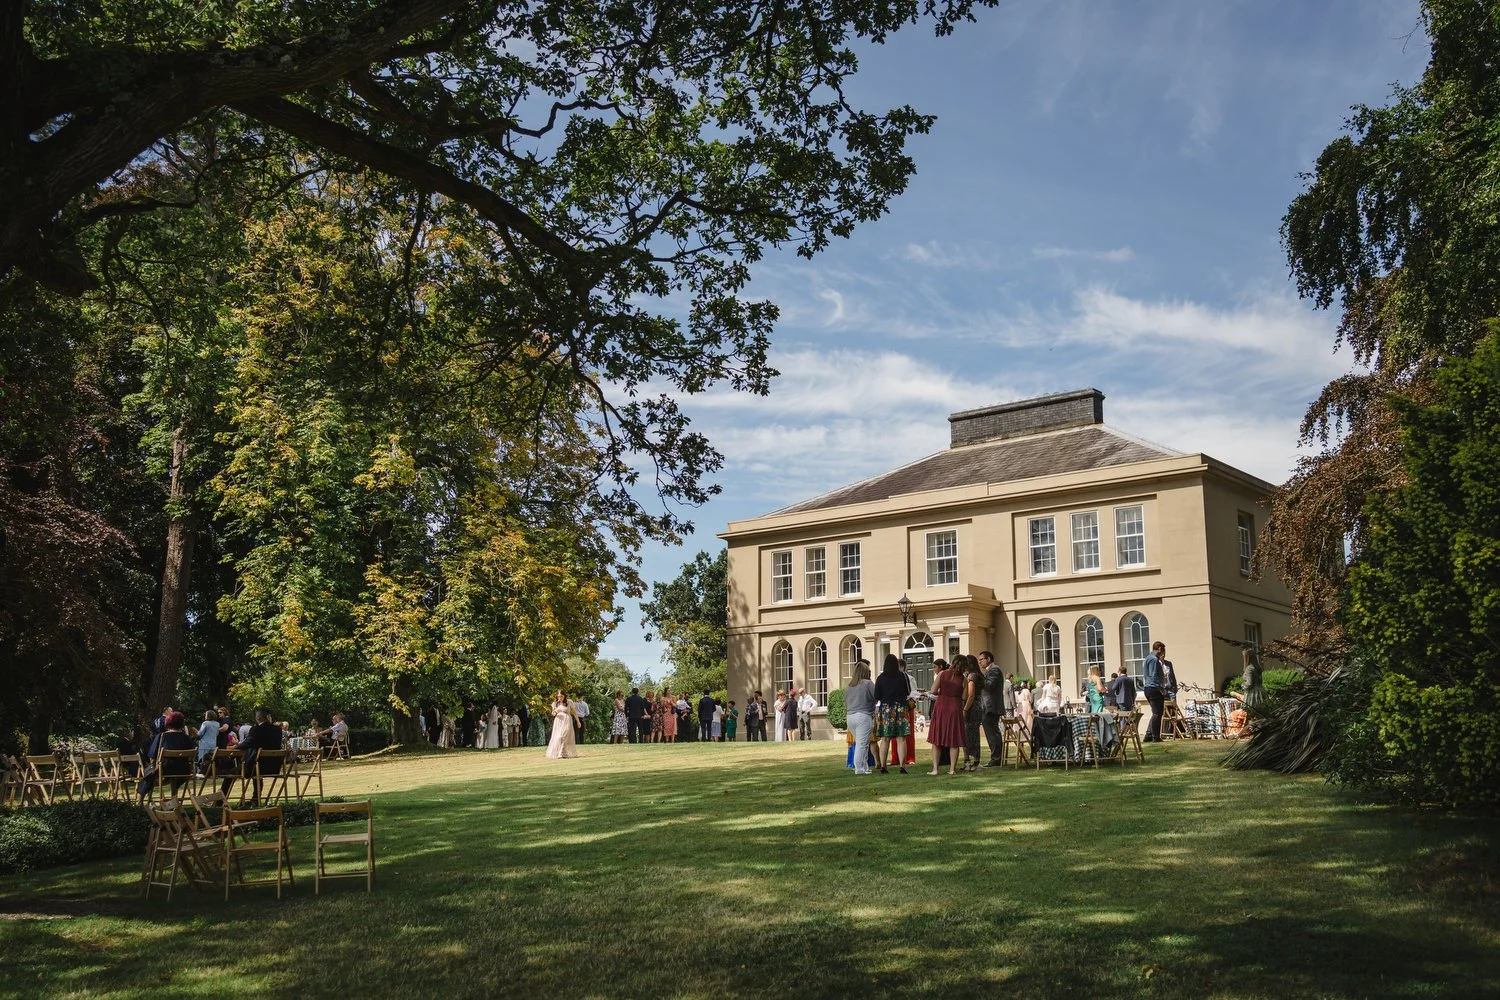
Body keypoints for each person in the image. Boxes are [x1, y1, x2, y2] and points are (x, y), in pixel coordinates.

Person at [873, 654, 911, 774]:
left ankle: (884, 766)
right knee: (901, 739)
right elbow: (908, 692)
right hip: (901, 708)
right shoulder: (902, 676)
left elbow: (877, 696)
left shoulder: (881, 678)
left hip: (886, 709)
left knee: (885, 739)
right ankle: (902, 766)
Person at [926, 659, 965, 776]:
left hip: (942, 705)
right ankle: (952, 769)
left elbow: (933, 690)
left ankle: (935, 769)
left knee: (937, 739)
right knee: (954, 740)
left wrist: (943, 691)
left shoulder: (942, 674)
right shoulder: (964, 679)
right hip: (955, 706)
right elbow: (964, 696)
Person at [843, 660, 877, 775]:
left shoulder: (849, 686)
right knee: (862, 744)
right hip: (863, 715)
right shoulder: (868, 683)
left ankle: (865, 767)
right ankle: (859, 769)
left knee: (861, 743)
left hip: (850, 716)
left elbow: (846, 702)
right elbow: (876, 697)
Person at [979, 651, 1005, 767]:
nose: (980, 662)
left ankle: (996, 758)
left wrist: (978, 678)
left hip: (991, 706)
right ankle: (995, 757)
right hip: (987, 705)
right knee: (991, 733)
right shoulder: (990, 671)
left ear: (988, 659)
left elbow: (989, 685)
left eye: (981, 659)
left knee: (992, 733)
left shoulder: (994, 670)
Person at [961, 657, 984, 772]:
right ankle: (972, 760)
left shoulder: (972, 676)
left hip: (972, 707)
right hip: (978, 706)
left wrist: (965, 709)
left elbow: (971, 695)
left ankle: (971, 761)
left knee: (969, 734)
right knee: (972, 734)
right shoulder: (978, 675)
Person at [1142, 641, 1168, 742]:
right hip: (1153, 688)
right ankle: (1155, 737)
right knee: (1158, 713)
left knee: (1155, 713)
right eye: (1164, 650)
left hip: (1148, 688)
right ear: (1160, 649)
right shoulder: (1153, 659)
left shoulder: (1148, 658)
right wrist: (1160, 689)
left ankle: (1148, 735)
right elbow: (1153, 675)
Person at [545, 691, 579, 759]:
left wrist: (578, 721)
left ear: (564, 696)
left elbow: (574, 712)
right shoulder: (555, 703)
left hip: (567, 720)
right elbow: (553, 712)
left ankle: (561, 753)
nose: (560, 698)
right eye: (559, 696)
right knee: (558, 737)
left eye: (561, 696)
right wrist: (554, 713)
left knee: (563, 736)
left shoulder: (569, 702)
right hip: (558, 722)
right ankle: (562, 752)